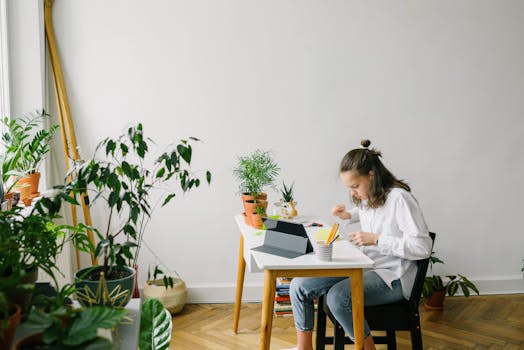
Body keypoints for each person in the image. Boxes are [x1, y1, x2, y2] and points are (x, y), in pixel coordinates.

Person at [285, 139, 433, 350]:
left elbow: (422, 247)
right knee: (299, 286)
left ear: (371, 175)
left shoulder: (400, 199)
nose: (353, 193)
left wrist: (377, 240)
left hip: (393, 277)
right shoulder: (371, 196)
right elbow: (369, 212)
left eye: (355, 186)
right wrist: (347, 215)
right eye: (350, 188)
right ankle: (304, 348)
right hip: (364, 266)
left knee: (339, 297)